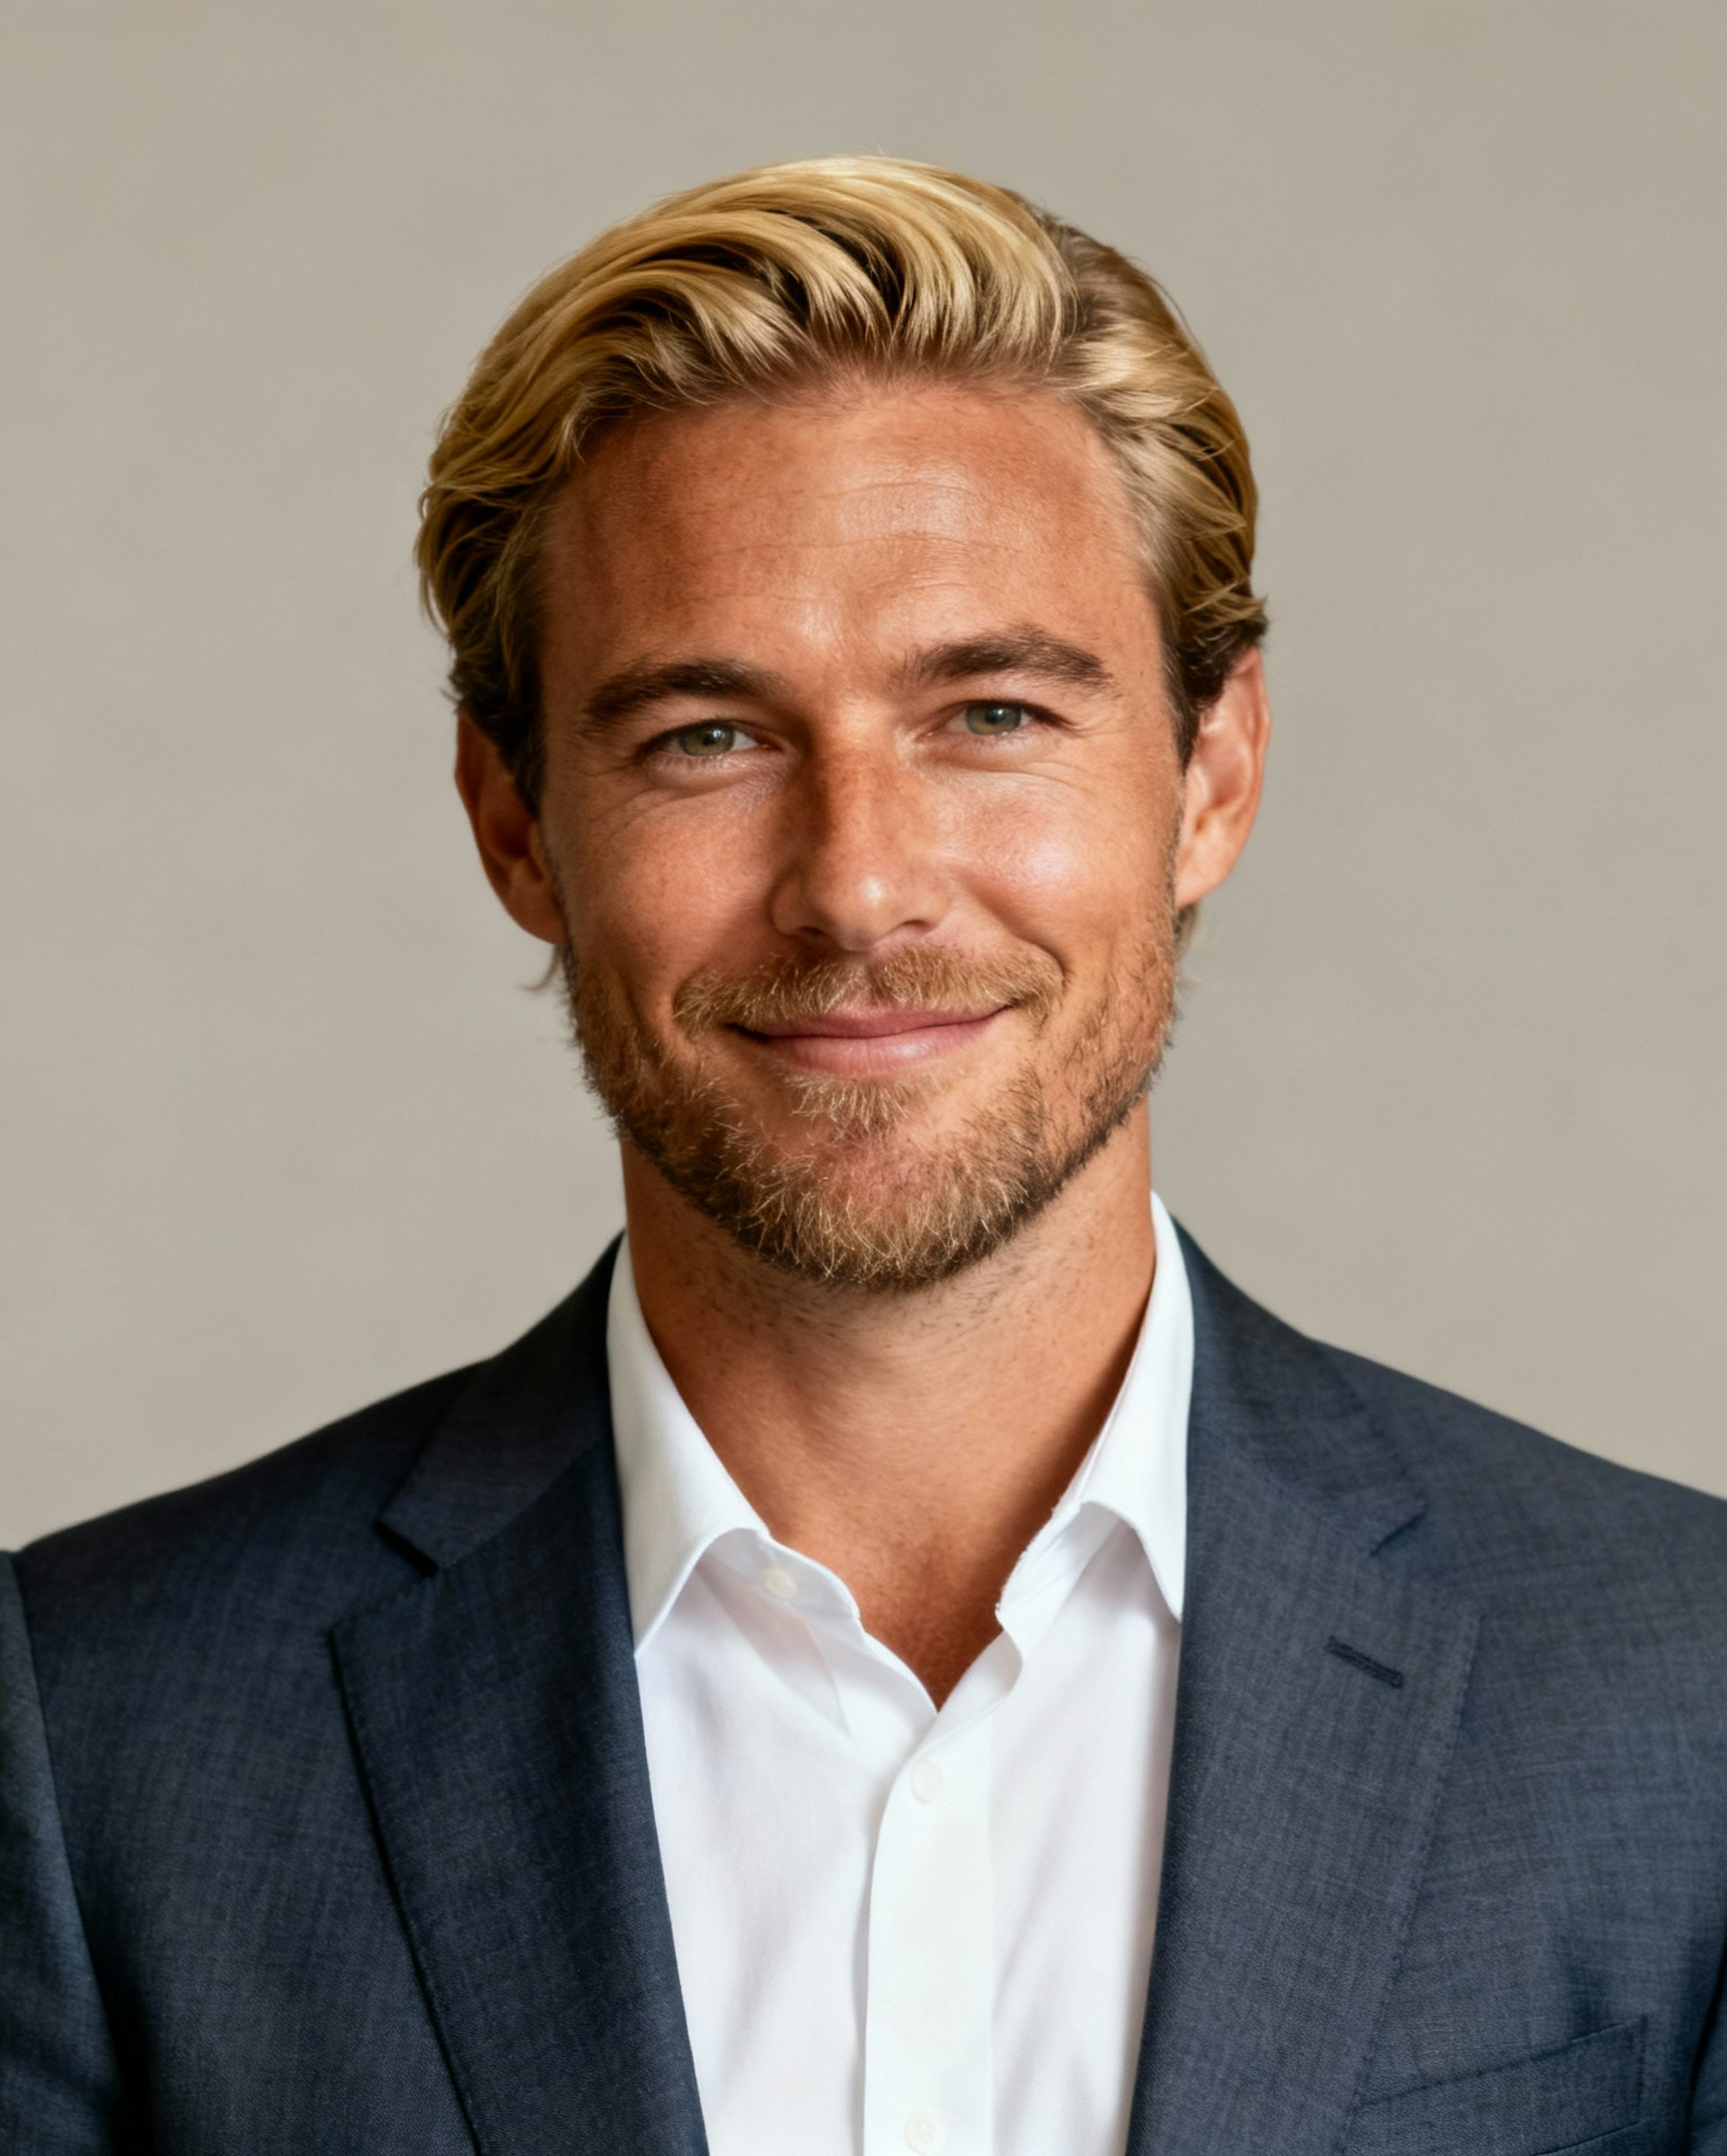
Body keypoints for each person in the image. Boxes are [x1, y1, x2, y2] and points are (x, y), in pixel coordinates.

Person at [2, 156, 1723, 2156]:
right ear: (514, 825)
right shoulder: (93, 1740)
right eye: (705, 738)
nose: (860, 885)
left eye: (989, 711)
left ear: (1211, 776)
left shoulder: (1680, 1703)